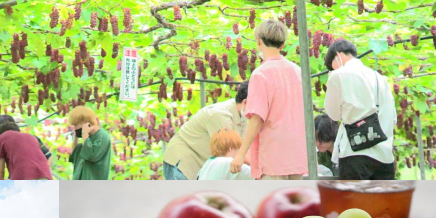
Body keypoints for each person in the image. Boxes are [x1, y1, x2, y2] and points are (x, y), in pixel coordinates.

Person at [231, 19, 308, 179]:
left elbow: (257, 118)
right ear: (283, 44)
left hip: (274, 157)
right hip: (297, 155)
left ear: (258, 40)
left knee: (274, 202)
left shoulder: (261, 74)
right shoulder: (299, 71)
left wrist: (241, 154)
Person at [324, 39, 397, 180]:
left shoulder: (338, 76)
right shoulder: (380, 78)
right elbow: (392, 119)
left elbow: (333, 114)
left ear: (338, 56)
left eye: (333, 67)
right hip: (384, 157)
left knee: (355, 201)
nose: (333, 70)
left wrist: (331, 81)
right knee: (382, 201)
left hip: (354, 154)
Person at [163, 82, 249, 180]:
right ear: (245, 102)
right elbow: (232, 150)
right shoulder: (219, 114)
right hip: (182, 163)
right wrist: (261, 170)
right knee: (183, 194)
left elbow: (243, 149)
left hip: (198, 166)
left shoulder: (243, 116)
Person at [67, 106, 112, 180]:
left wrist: (84, 133)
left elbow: (91, 155)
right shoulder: (87, 139)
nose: (74, 128)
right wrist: (76, 136)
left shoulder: (102, 136)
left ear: (86, 121)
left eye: (76, 125)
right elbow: (74, 155)